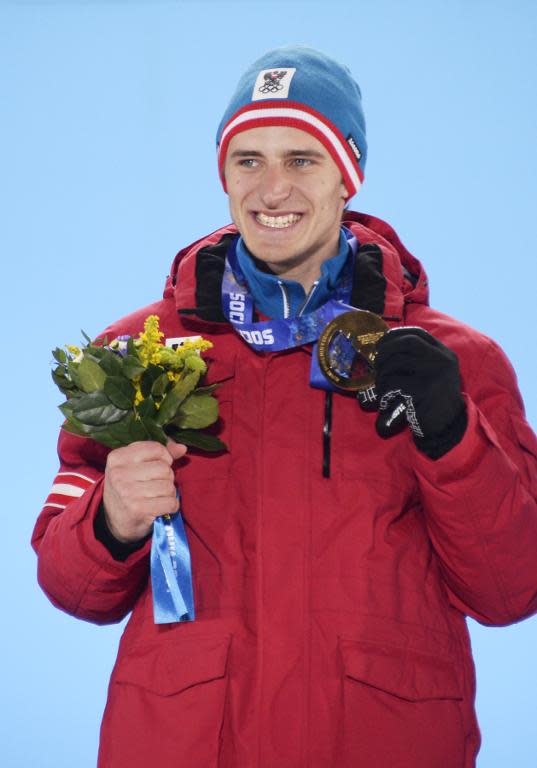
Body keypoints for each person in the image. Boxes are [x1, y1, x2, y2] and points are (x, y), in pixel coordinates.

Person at [32, 47, 537, 768]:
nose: (272, 190)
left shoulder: (452, 360)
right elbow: (69, 585)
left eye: (302, 159)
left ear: (346, 176)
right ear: (223, 174)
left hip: (378, 741)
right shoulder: (135, 352)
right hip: (182, 742)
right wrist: (111, 519)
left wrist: (453, 436)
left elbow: (510, 589)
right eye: (248, 160)